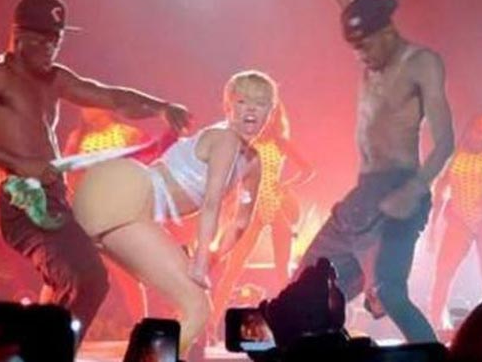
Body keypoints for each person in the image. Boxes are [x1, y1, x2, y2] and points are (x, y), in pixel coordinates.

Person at [0, 0, 190, 343]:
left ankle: (37, 348)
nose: (51, 48)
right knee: (88, 280)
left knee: (90, 278)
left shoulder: (55, 79)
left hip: (57, 199)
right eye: (42, 39)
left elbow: (111, 97)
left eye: (56, 39)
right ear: (18, 36)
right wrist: (16, 163)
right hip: (23, 202)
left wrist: (162, 107)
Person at [263, 0, 454, 342]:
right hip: (360, 201)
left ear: (386, 30)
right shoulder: (361, 18)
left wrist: (413, 190)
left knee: (389, 293)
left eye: (366, 46)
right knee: (302, 291)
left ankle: (431, 352)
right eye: (355, 48)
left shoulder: (422, 64)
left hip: (399, 194)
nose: (362, 55)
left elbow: (445, 141)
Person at [71, 70, 278, 354]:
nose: (251, 109)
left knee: (81, 286)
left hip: (118, 198)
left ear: (271, 111)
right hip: (125, 196)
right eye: (243, 101)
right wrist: (201, 262)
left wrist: (214, 255)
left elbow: (241, 221)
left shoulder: (252, 162)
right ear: (228, 105)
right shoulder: (226, 140)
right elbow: (212, 203)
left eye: (260, 103)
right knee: (197, 307)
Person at [209, 101, 314, 339]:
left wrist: (286, 185)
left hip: (275, 205)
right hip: (252, 207)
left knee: (282, 270)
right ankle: (211, 325)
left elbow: (308, 170)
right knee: (233, 269)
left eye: (271, 114)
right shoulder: (247, 140)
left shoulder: (280, 142)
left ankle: (292, 326)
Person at [63, 106, 150, 327]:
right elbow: (67, 173)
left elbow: (146, 166)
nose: (85, 108)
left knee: (128, 275)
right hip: (87, 214)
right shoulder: (77, 138)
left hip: (119, 214)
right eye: (82, 104)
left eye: (89, 102)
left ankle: (142, 327)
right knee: (71, 273)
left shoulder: (128, 134)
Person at [429, 114, 482, 331]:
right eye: (478, 131)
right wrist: (432, 228)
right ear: (469, 131)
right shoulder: (454, 157)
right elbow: (440, 191)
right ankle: (437, 324)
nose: (481, 136)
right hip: (460, 219)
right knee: (443, 272)